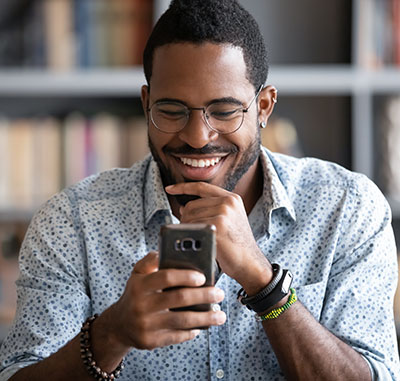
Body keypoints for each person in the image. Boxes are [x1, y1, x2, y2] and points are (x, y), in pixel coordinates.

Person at [1, 0, 399, 379]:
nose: (196, 137)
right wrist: (110, 335)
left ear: (263, 107)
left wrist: (263, 282)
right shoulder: (71, 223)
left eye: (224, 111)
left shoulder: (347, 208)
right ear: (146, 104)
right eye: (171, 110)